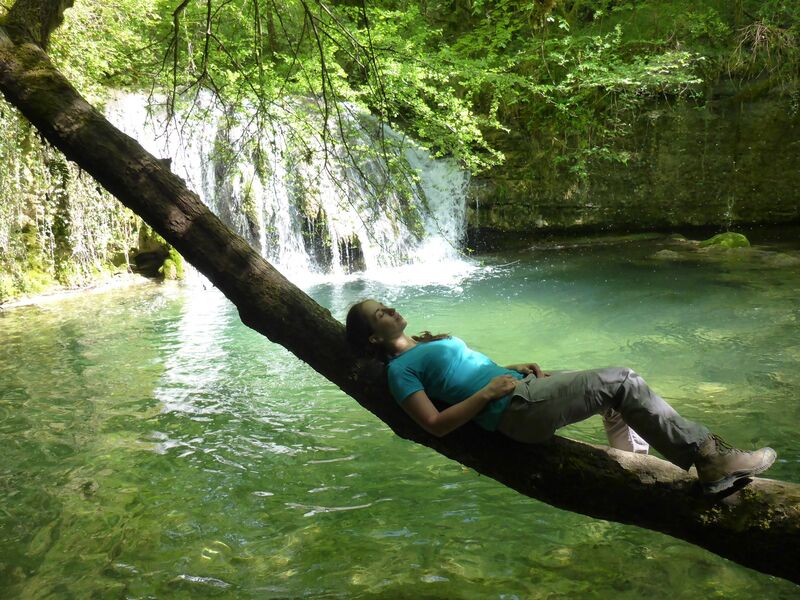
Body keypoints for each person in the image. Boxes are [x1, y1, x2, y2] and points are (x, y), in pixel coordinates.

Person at [345, 299, 777, 494]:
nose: (390, 309)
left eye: (385, 304)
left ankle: (640, 466)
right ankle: (708, 456)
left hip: (519, 390)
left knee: (616, 393)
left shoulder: (422, 345)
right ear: (371, 337)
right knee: (622, 380)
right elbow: (435, 425)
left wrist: (507, 368)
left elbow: (463, 373)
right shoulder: (400, 372)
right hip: (514, 409)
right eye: (379, 313)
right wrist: (490, 391)